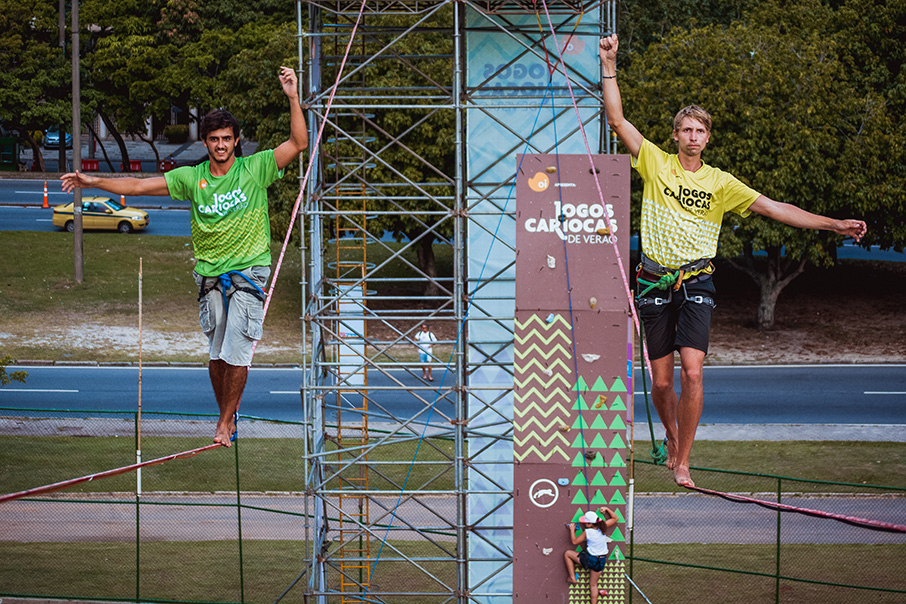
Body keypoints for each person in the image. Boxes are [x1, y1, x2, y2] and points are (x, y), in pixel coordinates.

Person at [598, 35, 867, 487]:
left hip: (697, 282)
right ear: (676, 135)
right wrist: (610, 64)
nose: (693, 137)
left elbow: (777, 208)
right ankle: (670, 432)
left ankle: (683, 460)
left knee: (693, 371)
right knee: (661, 385)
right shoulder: (655, 163)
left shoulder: (722, 183)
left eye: (700, 131)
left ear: (707, 138)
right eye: (686, 130)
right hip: (653, 282)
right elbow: (617, 118)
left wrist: (834, 225)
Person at [61, 66, 309, 447]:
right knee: (216, 358)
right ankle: (228, 413)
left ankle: (225, 424)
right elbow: (141, 185)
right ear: (206, 143)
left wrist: (292, 96)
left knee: (238, 352)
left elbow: (298, 143)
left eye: (227, 138)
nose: (221, 144)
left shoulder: (256, 168)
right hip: (209, 274)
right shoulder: (191, 178)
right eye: (214, 139)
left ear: (236, 141)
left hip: (247, 271)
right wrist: (92, 181)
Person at [564, 506, 618, 604]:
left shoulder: (587, 532)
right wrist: (606, 509)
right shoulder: (603, 527)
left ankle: (572, 578)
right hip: (601, 561)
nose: (584, 525)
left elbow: (574, 541)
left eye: (585, 523)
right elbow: (615, 518)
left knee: (568, 554)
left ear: (590, 524)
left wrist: (572, 529)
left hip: (591, 559)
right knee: (593, 585)